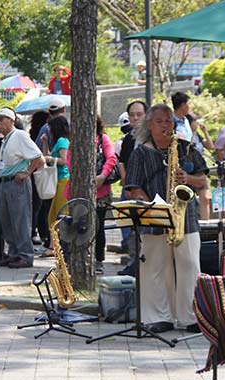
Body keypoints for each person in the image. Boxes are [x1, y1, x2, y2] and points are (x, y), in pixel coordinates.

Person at [125, 103, 208, 333]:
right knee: (154, 266)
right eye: (160, 121)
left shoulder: (186, 148)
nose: (165, 126)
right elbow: (132, 187)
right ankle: (158, 317)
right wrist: (148, 203)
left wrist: (188, 179)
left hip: (185, 216)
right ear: (149, 125)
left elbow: (203, 181)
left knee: (190, 265)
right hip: (155, 216)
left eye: (169, 121)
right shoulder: (140, 153)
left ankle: (191, 317)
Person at [0, 107, 44, 269]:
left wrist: (27, 172)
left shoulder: (20, 136)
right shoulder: (5, 139)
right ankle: (14, 253)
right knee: (7, 219)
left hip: (17, 183)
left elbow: (38, 157)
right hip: (5, 181)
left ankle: (25, 255)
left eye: (2, 119)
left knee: (20, 219)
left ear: (11, 121)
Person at [67, 115, 116, 274]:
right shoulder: (75, 141)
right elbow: (69, 161)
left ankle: (99, 259)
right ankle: (77, 258)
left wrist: (102, 176)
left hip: (100, 191)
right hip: (79, 189)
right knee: (78, 225)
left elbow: (111, 158)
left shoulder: (103, 139)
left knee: (99, 226)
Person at [117, 100, 148, 276]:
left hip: (146, 189)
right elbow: (121, 160)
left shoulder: (150, 137)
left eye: (139, 114)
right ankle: (133, 262)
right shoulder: (129, 138)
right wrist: (125, 179)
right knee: (129, 228)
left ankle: (144, 263)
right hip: (129, 187)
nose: (135, 118)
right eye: (132, 115)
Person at [43, 115, 70, 257]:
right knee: (53, 213)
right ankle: (53, 245)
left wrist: (49, 158)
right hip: (56, 180)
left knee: (59, 213)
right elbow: (48, 156)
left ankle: (56, 246)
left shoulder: (62, 141)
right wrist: (46, 144)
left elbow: (63, 160)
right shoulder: (57, 142)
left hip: (62, 180)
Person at [29, 111, 51, 247]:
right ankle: (44, 233)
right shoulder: (46, 131)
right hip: (46, 173)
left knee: (36, 205)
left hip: (35, 174)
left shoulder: (32, 135)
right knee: (43, 206)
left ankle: (34, 231)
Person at [187, 114, 214, 219]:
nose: (197, 123)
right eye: (194, 121)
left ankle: (205, 222)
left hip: (200, 168)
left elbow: (210, 146)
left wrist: (205, 132)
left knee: (205, 197)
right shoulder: (185, 134)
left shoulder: (197, 135)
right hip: (189, 168)